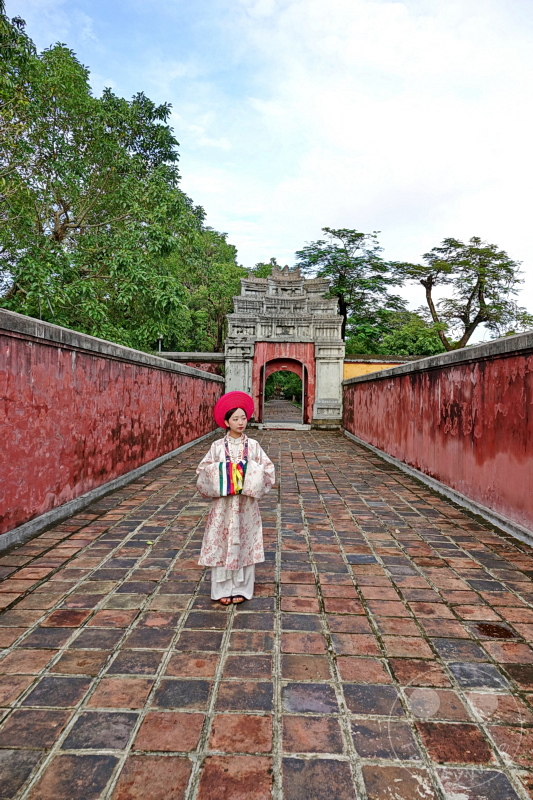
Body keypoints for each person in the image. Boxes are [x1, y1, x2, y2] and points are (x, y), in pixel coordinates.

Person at [196, 391, 275, 605]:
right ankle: (222, 589)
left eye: (243, 417)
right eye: (236, 419)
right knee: (221, 541)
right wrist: (225, 474)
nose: (241, 422)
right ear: (226, 422)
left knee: (245, 541)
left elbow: (268, 471)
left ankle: (241, 587)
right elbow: (202, 472)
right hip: (223, 506)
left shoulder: (255, 446)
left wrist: (249, 474)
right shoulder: (217, 447)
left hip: (246, 505)